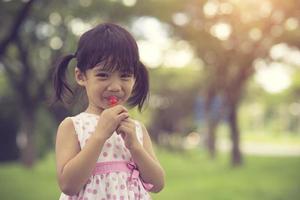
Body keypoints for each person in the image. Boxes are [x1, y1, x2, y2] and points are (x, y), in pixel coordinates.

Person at [53, 22, 165, 200]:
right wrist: (99, 135)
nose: (114, 87)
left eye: (125, 76)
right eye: (103, 75)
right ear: (81, 76)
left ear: (135, 78)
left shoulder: (136, 129)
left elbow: (157, 184)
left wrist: (135, 146)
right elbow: (68, 185)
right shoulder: (73, 126)